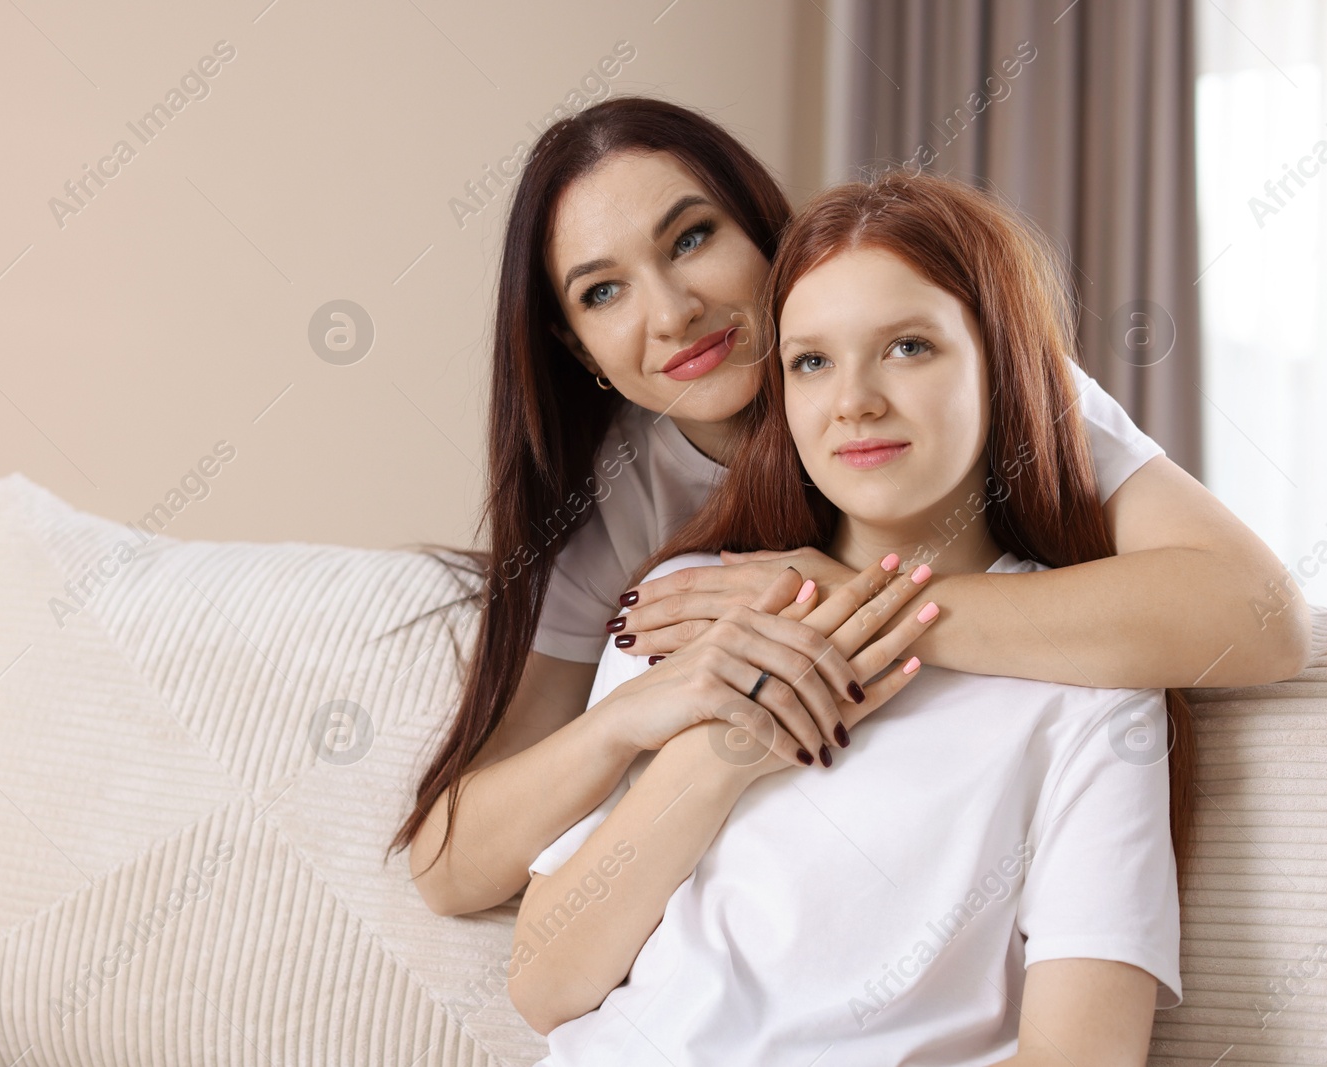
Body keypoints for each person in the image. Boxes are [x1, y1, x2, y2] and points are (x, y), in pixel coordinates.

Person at [390, 97, 1307, 920]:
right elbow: (450, 865)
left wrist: (856, 605)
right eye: (603, 290)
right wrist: (635, 714)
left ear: (767, 236)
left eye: (692, 238)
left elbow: (1262, 617)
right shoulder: (615, 493)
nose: (670, 312)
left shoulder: (962, 375)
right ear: (575, 343)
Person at [509, 171, 1190, 1066]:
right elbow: (543, 985)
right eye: (812, 361)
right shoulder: (693, 601)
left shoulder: (1093, 686)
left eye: (908, 347)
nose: (854, 399)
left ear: (1003, 362)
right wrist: (723, 755)